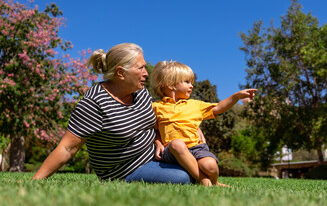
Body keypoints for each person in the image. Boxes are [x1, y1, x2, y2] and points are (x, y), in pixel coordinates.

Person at [32, 43, 200, 184]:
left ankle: (208, 180)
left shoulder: (139, 91)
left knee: (203, 163)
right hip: (124, 169)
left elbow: (155, 122)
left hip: (155, 154)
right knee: (182, 177)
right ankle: (206, 181)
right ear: (120, 73)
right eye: (140, 68)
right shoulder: (94, 103)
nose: (146, 73)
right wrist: (37, 180)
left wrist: (158, 140)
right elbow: (68, 147)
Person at [150, 60, 257, 186]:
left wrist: (236, 97)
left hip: (197, 148)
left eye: (192, 82)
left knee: (210, 166)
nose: (192, 86)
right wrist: (157, 142)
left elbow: (218, 108)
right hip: (172, 152)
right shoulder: (156, 107)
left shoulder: (195, 105)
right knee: (177, 144)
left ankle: (215, 182)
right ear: (170, 84)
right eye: (187, 82)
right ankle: (202, 180)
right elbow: (153, 129)